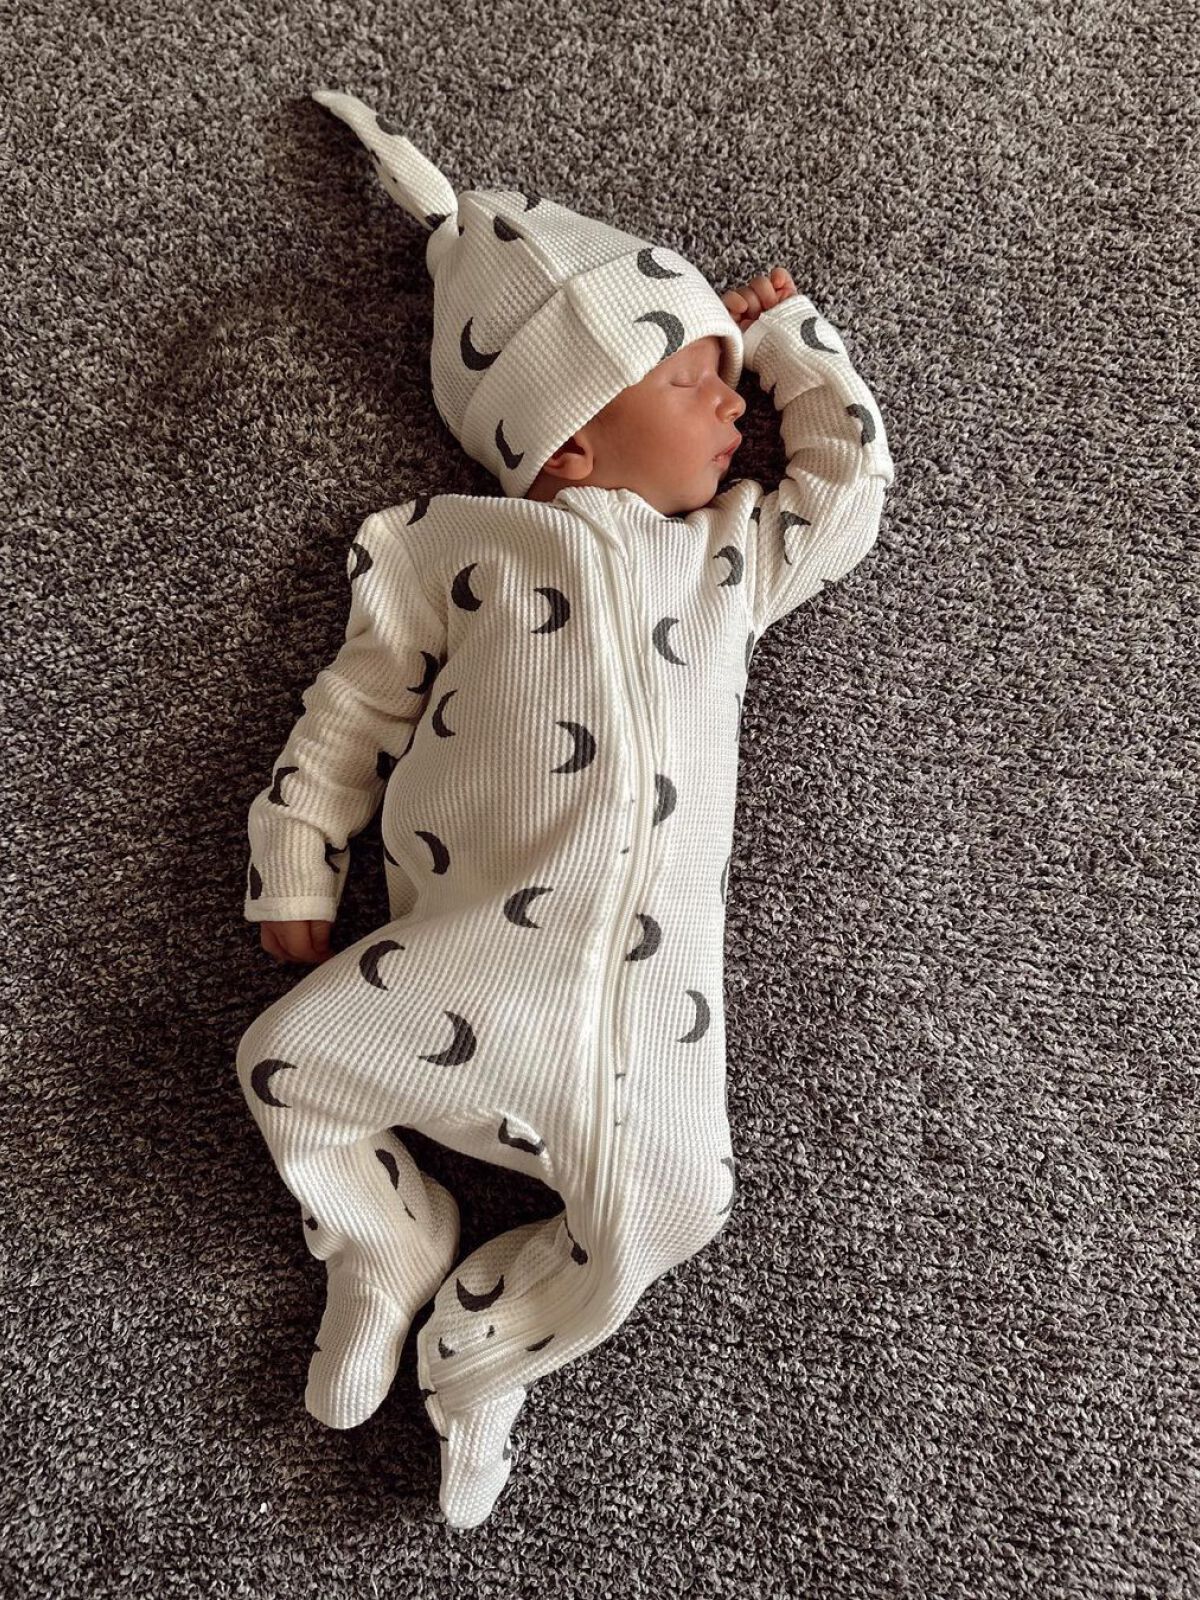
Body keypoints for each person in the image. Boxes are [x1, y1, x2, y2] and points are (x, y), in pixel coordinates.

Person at [236, 87, 896, 1530]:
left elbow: (846, 493)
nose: (735, 408)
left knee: (678, 1210)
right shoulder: (450, 549)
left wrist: (789, 345)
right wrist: (297, 852)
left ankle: (481, 1355)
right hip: (468, 953)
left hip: (647, 1002)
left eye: (733, 381)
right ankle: (386, 1244)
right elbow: (349, 711)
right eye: (698, 381)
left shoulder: (728, 558)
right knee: (284, 1066)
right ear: (566, 445)